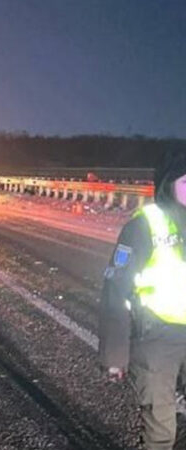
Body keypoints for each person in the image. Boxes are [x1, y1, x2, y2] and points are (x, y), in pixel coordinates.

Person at [99, 150, 186, 449]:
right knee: (161, 431)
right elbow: (116, 289)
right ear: (167, 185)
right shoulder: (145, 226)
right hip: (156, 338)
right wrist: (115, 354)